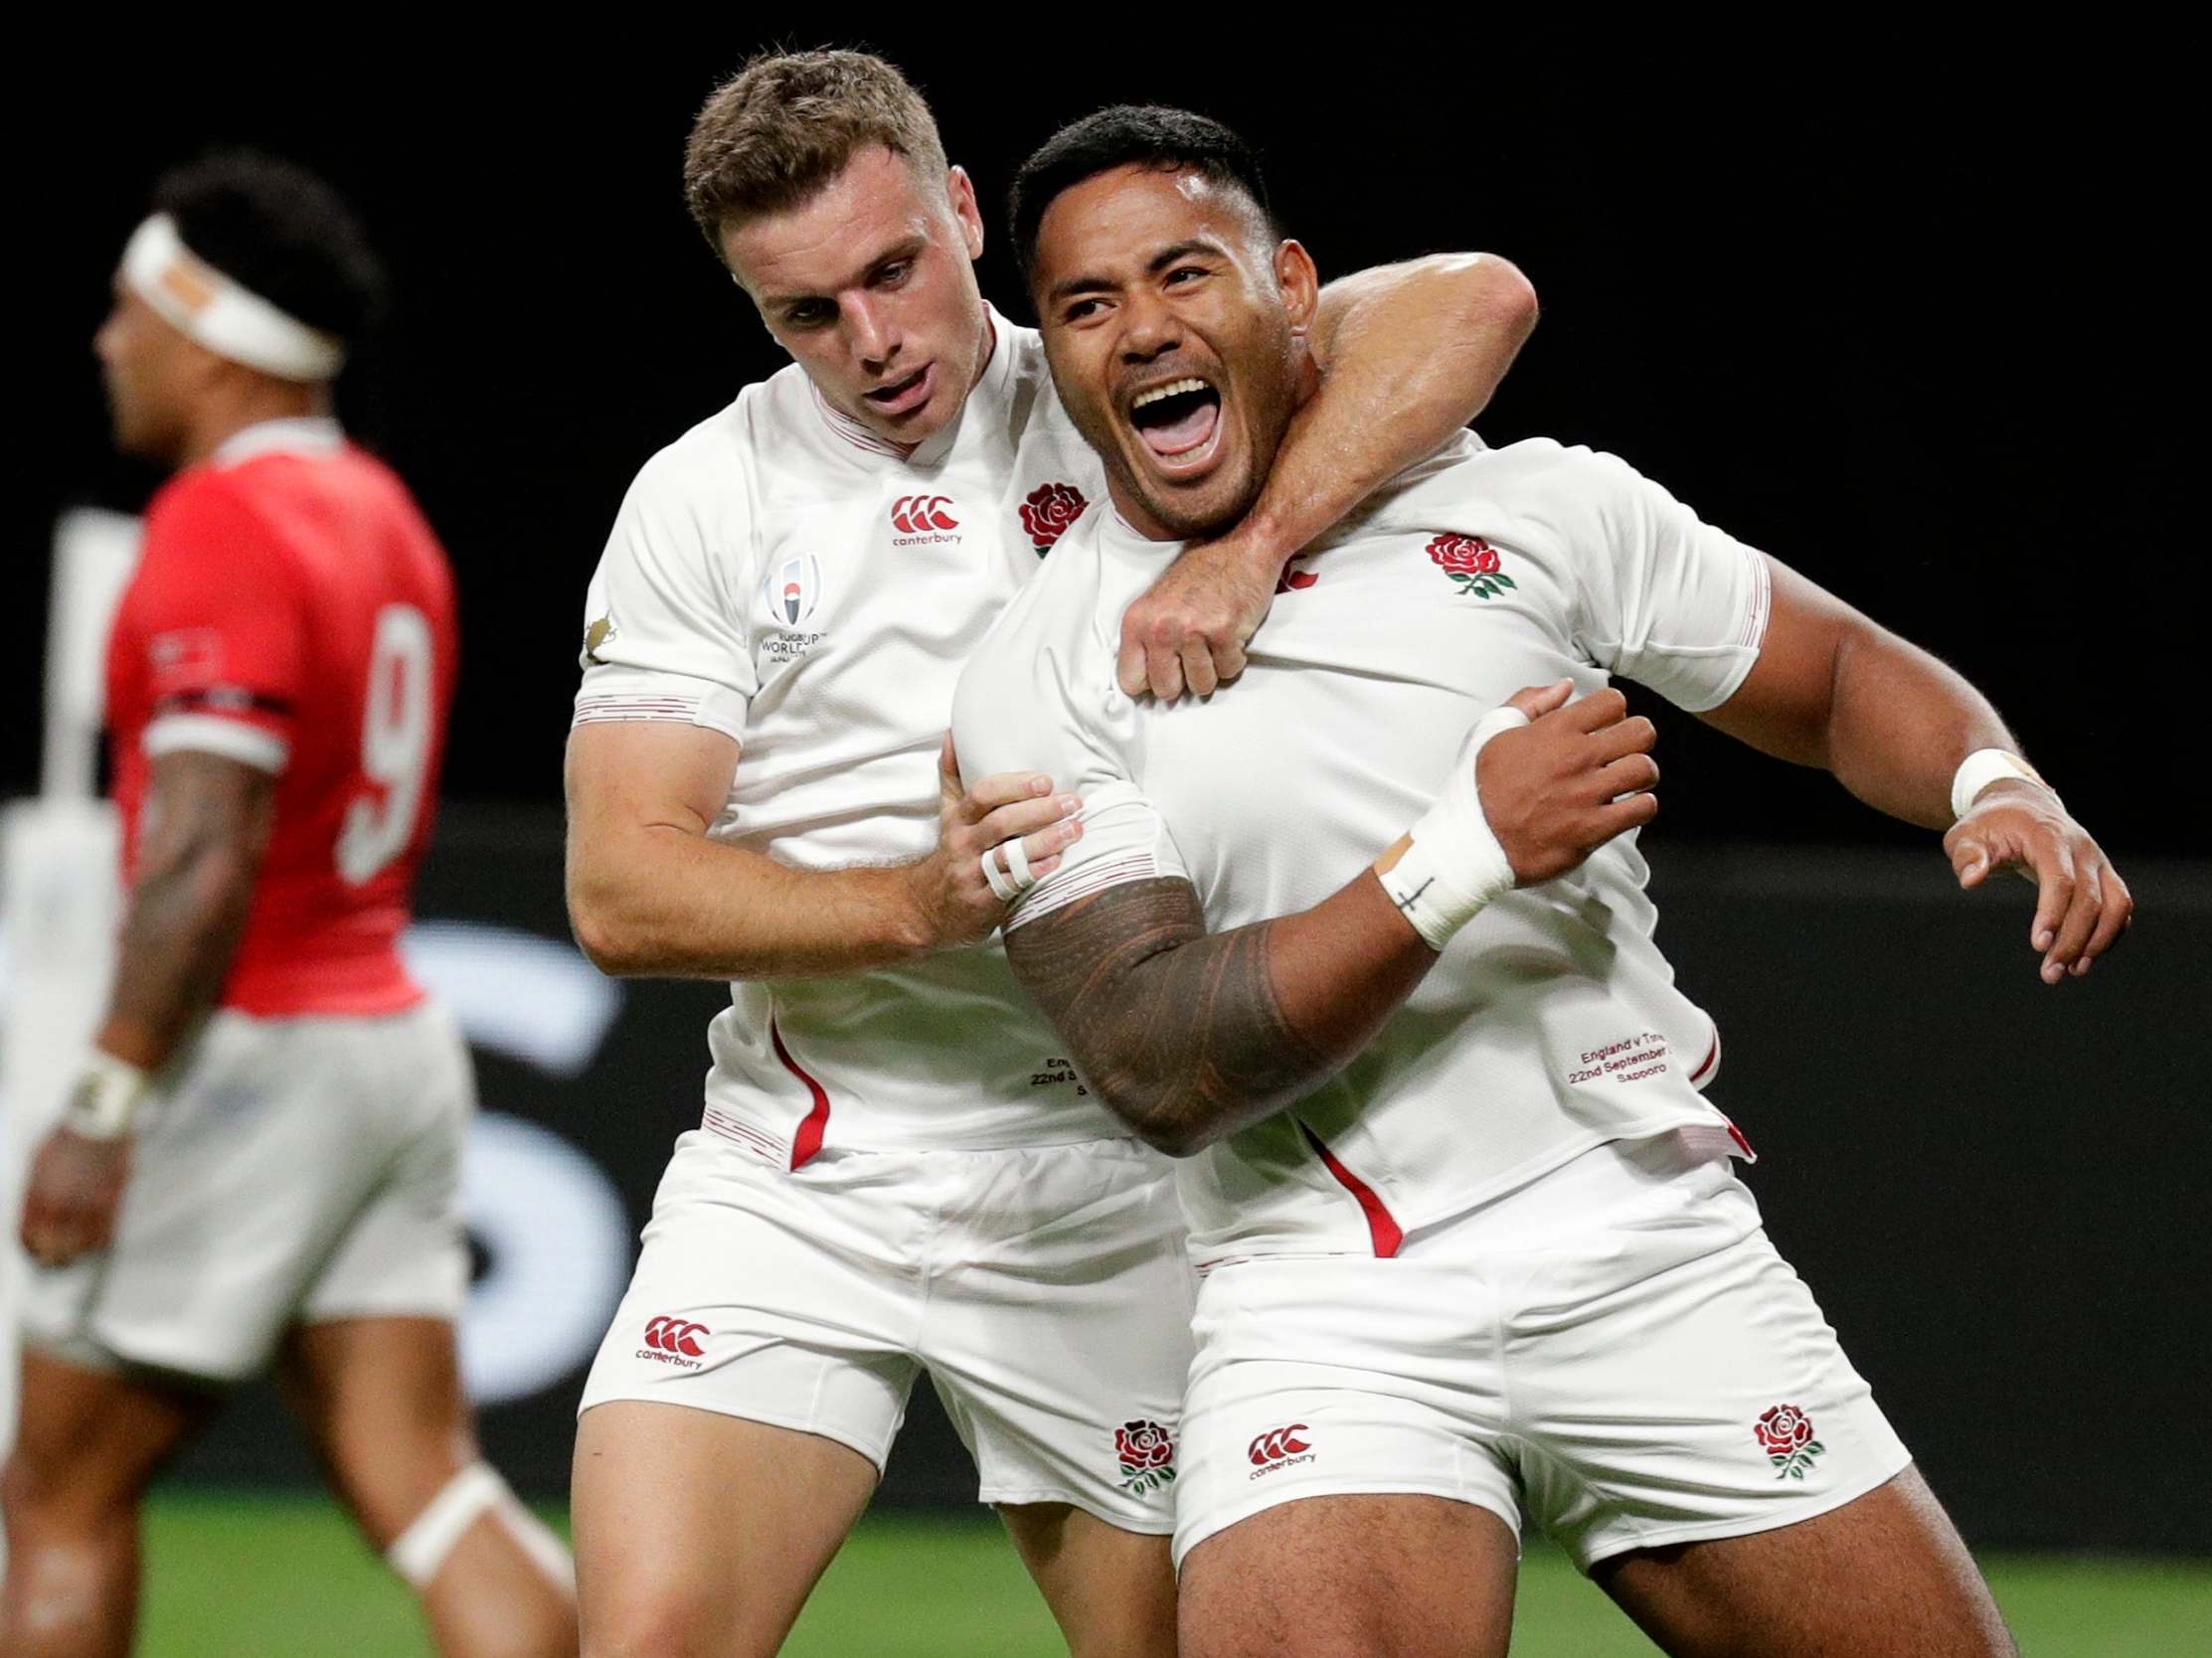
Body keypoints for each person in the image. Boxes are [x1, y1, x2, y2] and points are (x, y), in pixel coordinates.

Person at [951, 105, 2130, 1658]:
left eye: (1185, 275)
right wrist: (1463, 853)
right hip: (1326, 1297)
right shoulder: (1036, 675)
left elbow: (1836, 673)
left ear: (1293, 286)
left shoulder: (1526, 504)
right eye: (1085, 306)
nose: (1143, 330)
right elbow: (1158, 1058)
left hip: (1637, 1231)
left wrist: (1992, 781)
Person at [562, 49, 1538, 1658]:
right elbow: (622, 885)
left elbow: (1476, 301)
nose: (871, 344)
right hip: (810, 1170)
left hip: (1121, 1171)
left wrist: (1253, 549)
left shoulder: (1123, 387)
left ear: (960, 213)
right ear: (752, 311)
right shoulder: (706, 495)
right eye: (807, 314)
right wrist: (917, 900)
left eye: (894, 271)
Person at [3, 154, 578, 1658]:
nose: (108, 343)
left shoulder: (220, 524)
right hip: (386, 1039)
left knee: (54, 1493)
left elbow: (204, 850)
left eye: (132, 313)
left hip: (242, 1049)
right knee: (432, 1488)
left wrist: (106, 1097)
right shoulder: (383, 515)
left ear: (205, 336)